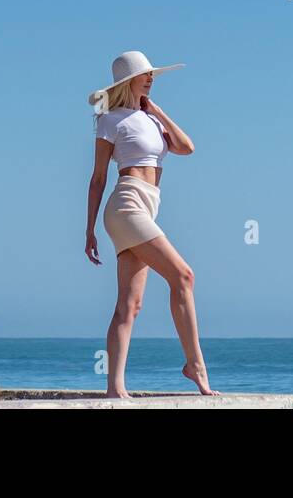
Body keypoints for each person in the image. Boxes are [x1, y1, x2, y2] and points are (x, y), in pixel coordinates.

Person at [84, 50, 219, 397]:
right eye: (145, 75)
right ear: (127, 81)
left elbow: (187, 147)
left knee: (130, 305)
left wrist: (157, 111)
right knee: (184, 275)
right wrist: (89, 229)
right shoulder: (110, 120)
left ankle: (115, 388)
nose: (150, 78)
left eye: (152, 74)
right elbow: (98, 177)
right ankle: (196, 365)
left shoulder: (153, 119)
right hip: (126, 205)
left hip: (148, 206)